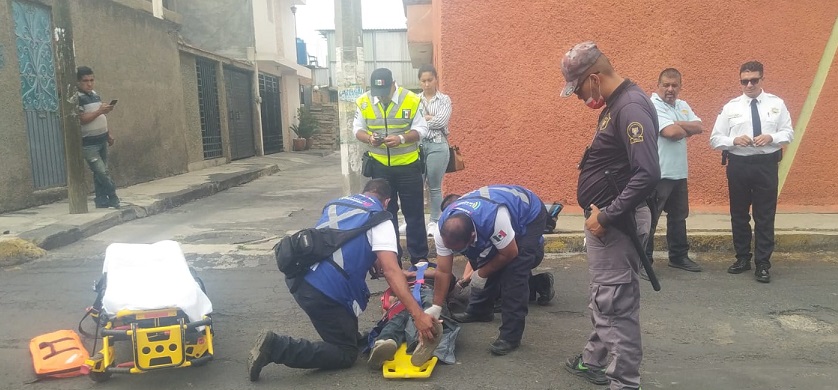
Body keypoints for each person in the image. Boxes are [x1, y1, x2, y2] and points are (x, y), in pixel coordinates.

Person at [247, 179, 441, 381]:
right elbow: (391, 272)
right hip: (325, 293)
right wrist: (418, 315)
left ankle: (350, 335)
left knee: (349, 333)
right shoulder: (380, 218)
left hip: (301, 279)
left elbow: (341, 242)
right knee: (345, 354)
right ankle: (276, 347)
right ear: (387, 201)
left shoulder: (338, 203)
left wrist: (379, 260)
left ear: (364, 193)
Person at [559, 41, 660, 390]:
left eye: (578, 89)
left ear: (595, 78)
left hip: (616, 225)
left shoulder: (629, 107)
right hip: (611, 223)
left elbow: (647, 173)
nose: (578, 98)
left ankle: (624, 383)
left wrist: (607, 216)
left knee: (615, 305)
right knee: (608, 297)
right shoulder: (617, 105)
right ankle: (594, 360)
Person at [435, 185, 551, 356]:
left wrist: (482, 273)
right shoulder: (443, 230)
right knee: (482, 258)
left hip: (529, 213)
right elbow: (443, 272)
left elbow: (509, 253)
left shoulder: (494, 220)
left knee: (513, 274)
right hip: (491, 214)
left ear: (473, 237)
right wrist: (436, 307)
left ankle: (510, 337)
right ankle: (480, 310)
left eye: (460, 249)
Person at [710, 61, 794, 284]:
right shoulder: (731, 107)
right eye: (744, 81)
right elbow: (715, 139)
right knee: (739, 214)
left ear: (761, 79)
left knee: (764, 215)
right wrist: (733, 140)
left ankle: (763, 263)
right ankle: (742, 258)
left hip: (766, 164)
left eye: (753, 80)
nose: (749, 85)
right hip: (739, 164)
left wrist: (771, 137)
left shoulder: (776, 104)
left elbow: (788, 133)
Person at [354, 68, 430, 265]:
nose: (381, 97)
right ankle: (391, 258)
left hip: (408, 166)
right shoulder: (364, 101)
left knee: (413, 213)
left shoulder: (412, 99)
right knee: (386, 215)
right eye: (377, 92)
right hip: (379, 167)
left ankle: (419, 258)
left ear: (393, 84)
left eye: (385, 91)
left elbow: (422, 128)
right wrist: (370, 138)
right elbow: (357, 129)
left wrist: (401, 138)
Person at [645, 68, 704, 275]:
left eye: (674, 85)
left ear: (680, 86)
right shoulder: (653, 105)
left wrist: (679, 124)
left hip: (679, 173)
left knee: (679, 217)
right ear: (658, 85)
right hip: (659, 173)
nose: (670, 89)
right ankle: (645, 261)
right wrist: (680, 126)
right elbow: (670, 132)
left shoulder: (682, 105)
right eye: (666, 85)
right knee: (650, 219)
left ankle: (678, 257)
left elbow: (700, 127)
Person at [76, 66, 119, 209]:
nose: (89, 84)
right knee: (102, 171)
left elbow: (101, 117)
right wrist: (100, 110)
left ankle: (101, 200)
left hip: (101, 140)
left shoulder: (95, 94)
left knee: (99, 173)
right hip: (89, 144)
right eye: (85, 81)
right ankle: (113, 196)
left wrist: (108, 134)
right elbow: (82, 119)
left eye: (91, 80)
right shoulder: (76, 98)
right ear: (78, 82)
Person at [418, 64, 452, 236]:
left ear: (436, 79)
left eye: (430, 80)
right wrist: (430, 118)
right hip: (418, 146)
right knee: (416, 185)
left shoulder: (444, 99)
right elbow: (412, 123)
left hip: (438, 145)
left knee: (434, 186)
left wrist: (423, 120)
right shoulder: (415, 100)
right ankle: (416, 222)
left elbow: (441, 122)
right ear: (419, 82)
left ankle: (435, 221)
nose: (426, 84)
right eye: (423, 80)